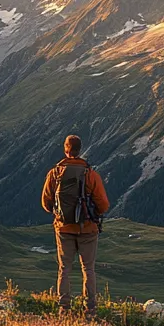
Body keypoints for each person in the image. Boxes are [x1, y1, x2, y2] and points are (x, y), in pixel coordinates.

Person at [41, 134, 111, 316]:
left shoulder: (55, 173)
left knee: (64, 268)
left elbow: (46, 202)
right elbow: (103, 204)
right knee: (88, 268)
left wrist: (60, 214)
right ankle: (90, 308)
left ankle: (64, 307)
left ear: (65, 149)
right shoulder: (91, 174)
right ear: (80, 150)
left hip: (63, 228)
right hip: (88, 228)